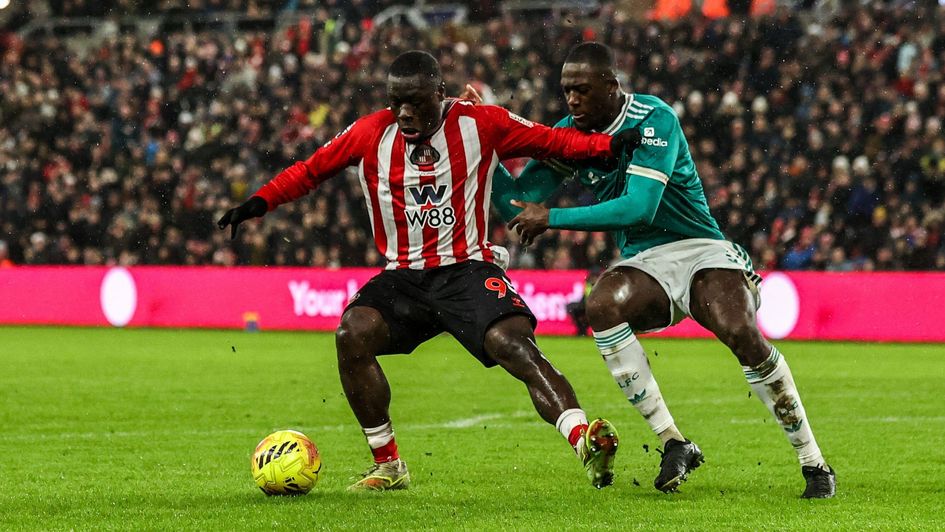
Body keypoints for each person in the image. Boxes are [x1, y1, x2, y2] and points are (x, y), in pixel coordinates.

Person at [218, 50, 641, 491]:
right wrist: (259, 202)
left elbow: (553, 142)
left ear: (441, 94)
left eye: (417, 102)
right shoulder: (369, 133)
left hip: (467, 269)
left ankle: (583, 441)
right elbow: (310, 171)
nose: (405, 112)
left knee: (512, 344)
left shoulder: (481, 123)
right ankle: (388, 465)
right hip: (404, 276)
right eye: (396, 101)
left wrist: (609, 144)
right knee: (352, 334)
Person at [495, 42, 836, 498]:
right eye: (565, 90)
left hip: (701, 248)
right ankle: (674, 442)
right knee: (601, 305)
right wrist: (481, 146)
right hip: (643, 262)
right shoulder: (567, 134)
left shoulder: (653, 118)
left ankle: (814, 463)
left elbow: (640, 205)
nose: (572, 100)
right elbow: (517, 204)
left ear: (611, 87)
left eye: (582, 90)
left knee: (739, 330)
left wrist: (553, 219)